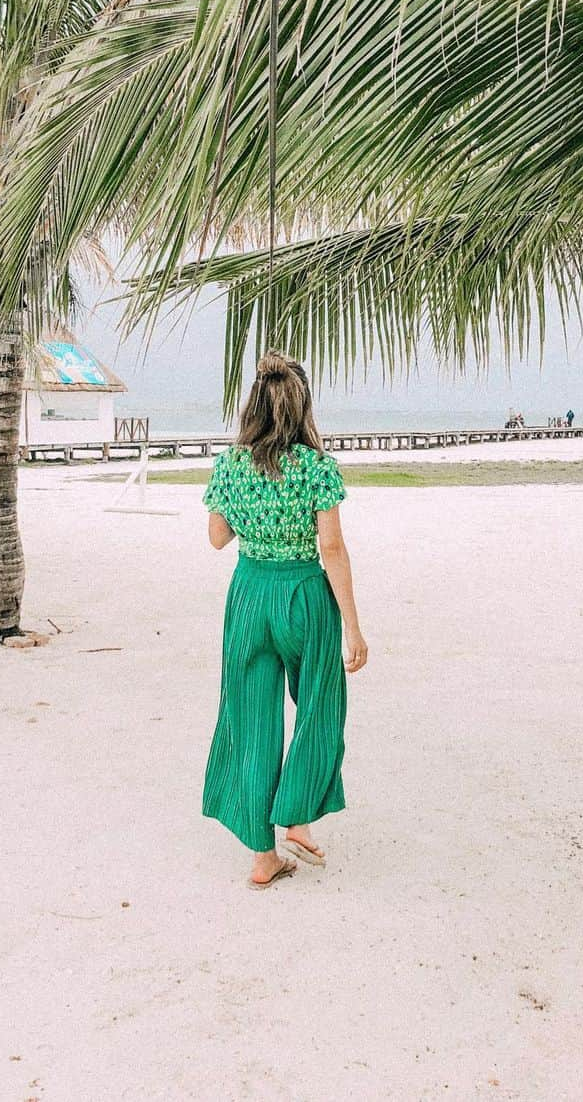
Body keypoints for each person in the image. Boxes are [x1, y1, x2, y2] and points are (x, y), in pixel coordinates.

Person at [202, 351, 368, 889]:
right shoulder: (317, 467)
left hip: (250, 593)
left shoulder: (231, 463)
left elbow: (217, 537)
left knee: (251, 719)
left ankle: (261, 855)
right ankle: (297, 817)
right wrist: (353, 626)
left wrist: (251, 515)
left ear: (254, 405)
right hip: (303, 592)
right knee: (320, 703)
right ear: (302, 409)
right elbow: (333, 548)